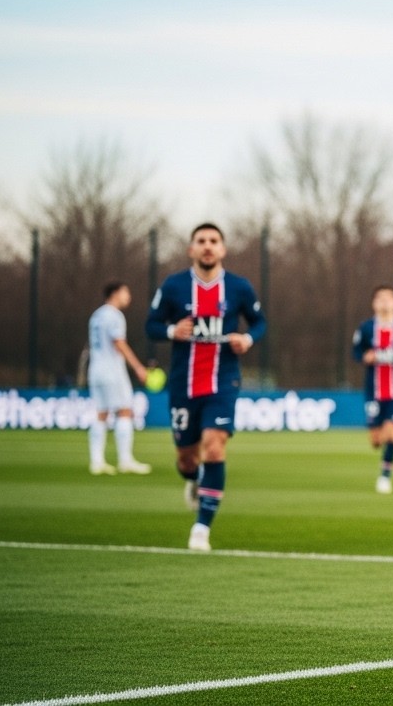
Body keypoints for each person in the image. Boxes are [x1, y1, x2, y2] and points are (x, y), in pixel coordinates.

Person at [145, 223, 266, 552]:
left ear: (223, 249)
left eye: (214, 241)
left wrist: (248, 338)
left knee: (214, 447)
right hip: (183, 384)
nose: (208, 246)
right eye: (201, 241)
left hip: (223, 381)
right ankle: (193, 480)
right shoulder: (174, 286)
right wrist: (172, 331)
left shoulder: (239, 287)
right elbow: (151, 325)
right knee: (186, 459)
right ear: (191, 249)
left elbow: (260, 322)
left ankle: (201, 529)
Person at [352, 285, 393, 494]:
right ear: (374, 303)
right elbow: (356, 352)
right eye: (380, 299)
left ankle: (385, 476)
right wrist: (365, 357)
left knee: (392, 434)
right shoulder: (366, 328)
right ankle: (380, 445)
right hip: (373, 391)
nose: (385, 303)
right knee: (376, 440)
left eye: (389, 299)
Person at [86, 281, 151, 475]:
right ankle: (125, 460)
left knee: (101, 413)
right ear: (115, 293)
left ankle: (96, 461)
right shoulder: (115, 315)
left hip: (95, 369)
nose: (128, 297)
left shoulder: (96, 315)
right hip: (112, 370)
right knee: (125, 411)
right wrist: (138, 367)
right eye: (125, 292)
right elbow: (119, 344)